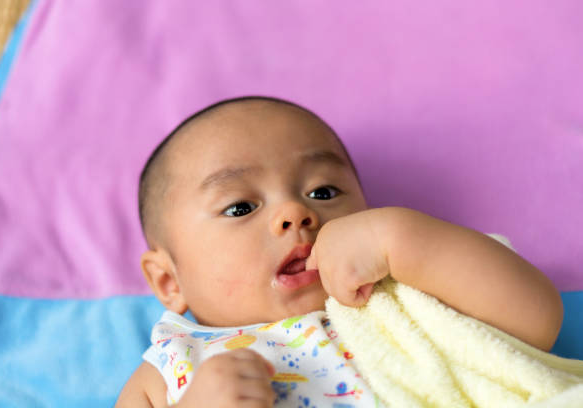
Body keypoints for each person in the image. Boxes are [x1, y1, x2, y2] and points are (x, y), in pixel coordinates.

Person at [116, 96, 563, 407]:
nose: (295, 212)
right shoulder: (173, 365)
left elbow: (537, 320)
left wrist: (399, 238)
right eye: (241, 207)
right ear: (169, 282)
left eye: (324, 191)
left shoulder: (401, 289)